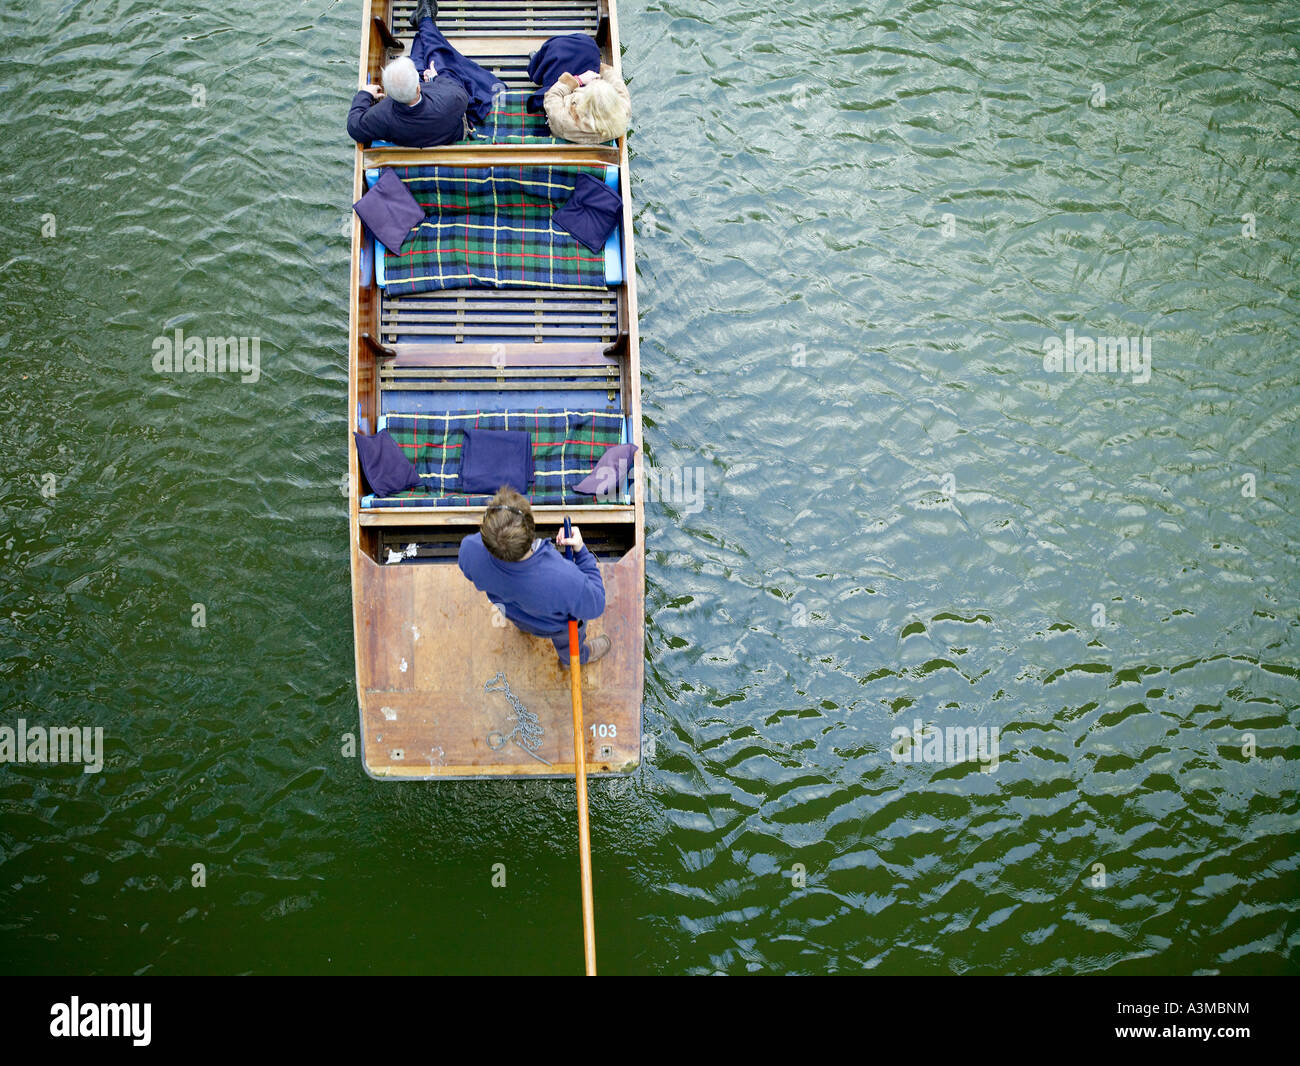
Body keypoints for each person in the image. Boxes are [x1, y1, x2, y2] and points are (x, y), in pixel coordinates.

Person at [458, 487, 611, 667]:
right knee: (570, 644)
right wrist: (581, 551)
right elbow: (597, 603)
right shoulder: (563, 578)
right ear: (531, 530)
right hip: (555, 627)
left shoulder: (469, 549)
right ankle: (575, 658)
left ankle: (525, 629)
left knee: (522, 617)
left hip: (514, 614)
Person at [346, 0, 501, 148]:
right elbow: (457, 87)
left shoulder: (381, 116)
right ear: (419, 87)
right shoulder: (450, 99)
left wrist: (365, 94)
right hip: (452, 133)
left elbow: (354, 126)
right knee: (438, 59)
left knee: (423, 59)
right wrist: (435, 77)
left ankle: (425, 24)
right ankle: (425, 22)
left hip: (416, 135)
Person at [544, 64, 631, 144]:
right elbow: (619, 87)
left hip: (563, 124)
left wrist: (579, 80)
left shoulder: (564, 120)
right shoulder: (623, 113)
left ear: (586, 104)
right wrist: (604, 70)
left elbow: (551, 96)